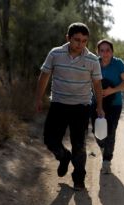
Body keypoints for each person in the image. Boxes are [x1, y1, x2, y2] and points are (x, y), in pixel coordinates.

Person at [35, 22, 104, 191]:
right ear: (68, 38)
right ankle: (64, 157)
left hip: (81, 107)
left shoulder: (92, 60)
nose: (80, 44)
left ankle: (79, 179)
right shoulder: (55, 53)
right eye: (76, 40)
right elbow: (44, 76)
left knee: (79, 144)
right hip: (58, 104)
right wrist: (38, 99)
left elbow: (97, 85)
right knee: (50, 140)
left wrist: (99, 106)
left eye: (84, 41)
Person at [90, 39, 124, 174]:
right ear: (98, 52)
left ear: (112, 52)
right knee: (97, 132)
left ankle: (107, 161)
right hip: (95, 103)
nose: (105, 53)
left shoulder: (118, 64)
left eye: (108, 50)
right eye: (102, 50)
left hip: (114, 104)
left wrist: (111, 90)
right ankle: (103, 148)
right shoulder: (94, 63)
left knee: (110, 132)